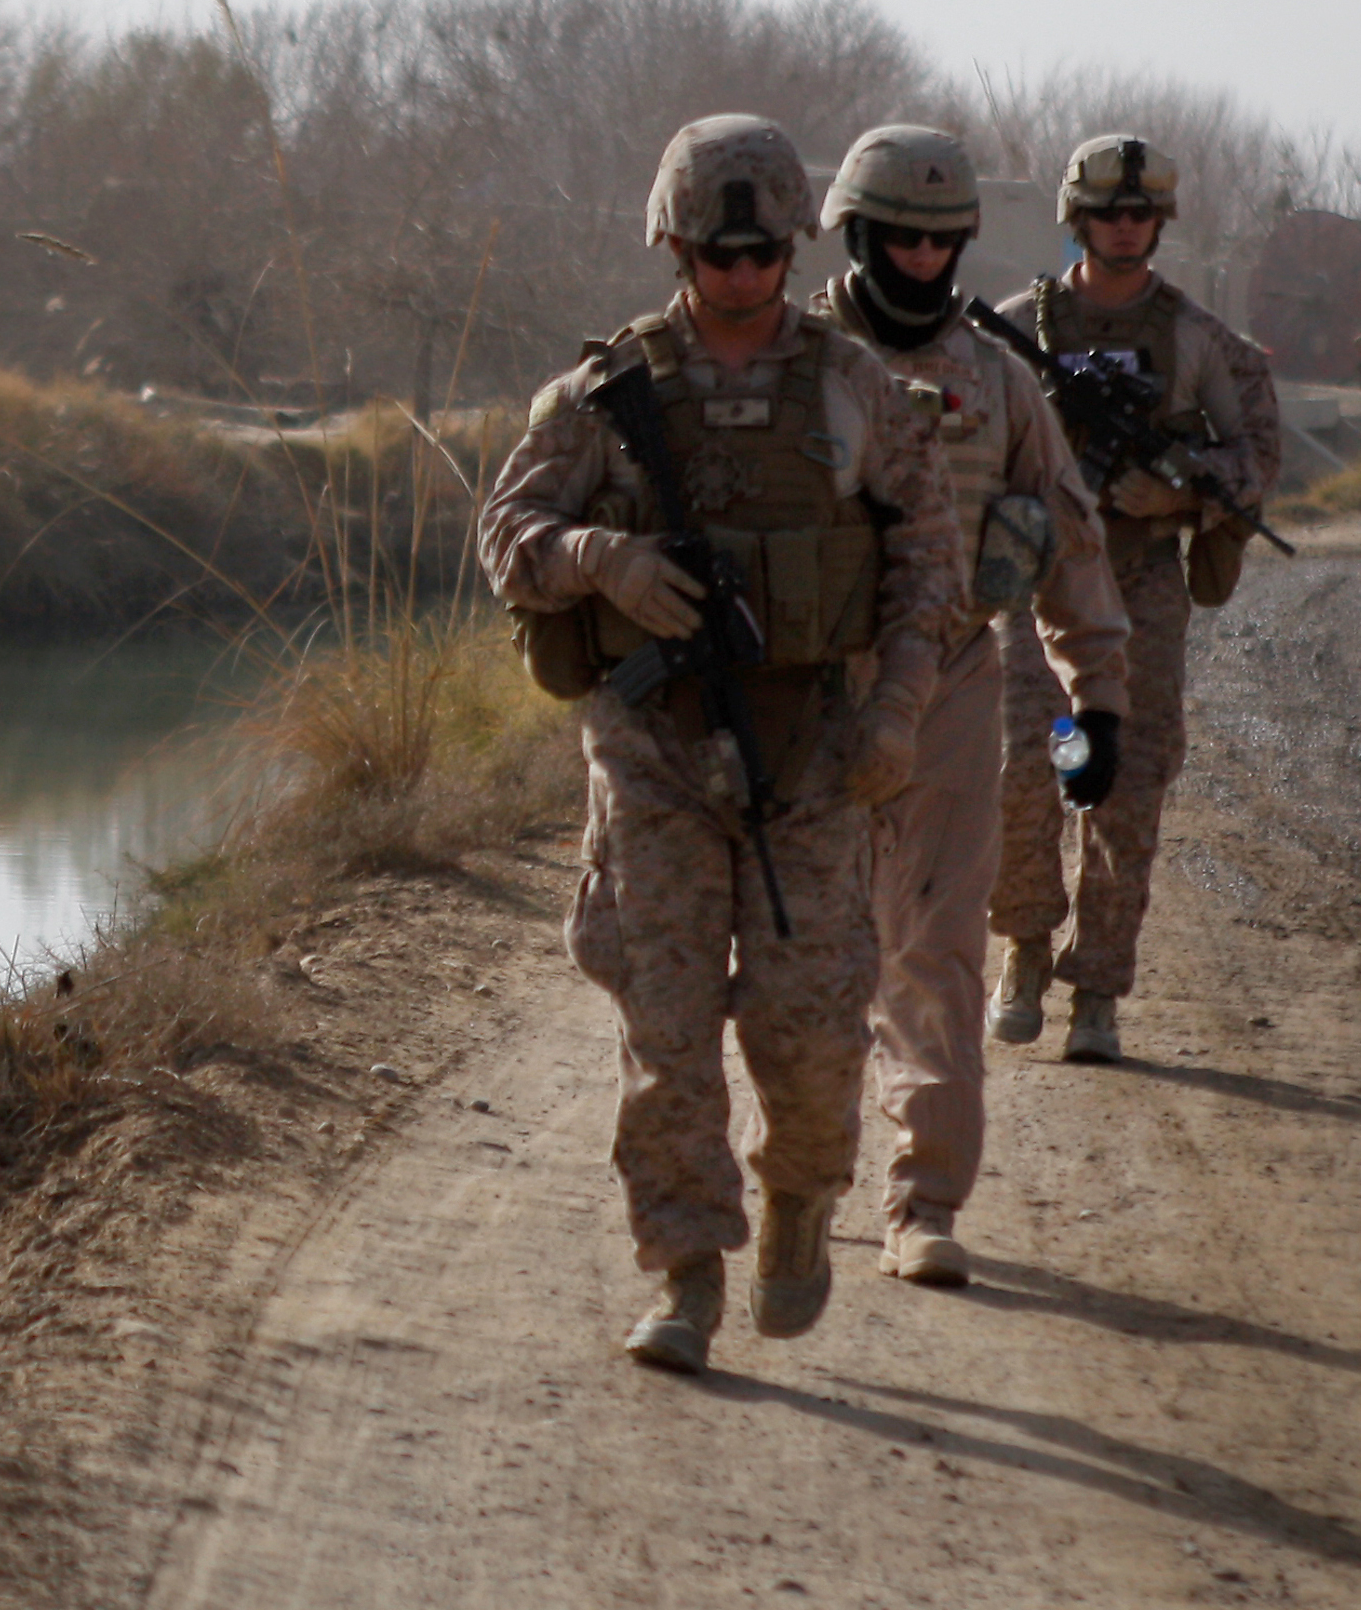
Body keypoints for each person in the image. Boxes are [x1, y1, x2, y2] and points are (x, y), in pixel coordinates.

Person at [479, 115, 961, 1371]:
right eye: (714, 254)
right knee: (667, 1031)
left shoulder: (854, 390)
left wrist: (899, 708)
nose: (740, 277)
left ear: (794, 247)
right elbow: (505, 533)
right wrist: (599, 559)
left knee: (810, 1030)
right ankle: (685, 1270)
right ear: (673, 247)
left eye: (760, 255)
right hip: (652, 758)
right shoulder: (602, 397)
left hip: (812, 755)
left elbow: (926, 562)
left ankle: (799, 1199)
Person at [799, 125, 1130, 1291]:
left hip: (946, 688)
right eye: (902, 238)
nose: (925, 260)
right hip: (801, 700)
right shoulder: (786, 360)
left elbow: (1064, 534)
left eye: (945, 241)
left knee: (934, 952)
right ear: (856, 232)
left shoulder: (996, 379)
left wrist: (1097, 697)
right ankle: (803, 1179)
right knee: (806, 956)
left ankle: (921, 1200)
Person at [988, 134, 1281, 1068]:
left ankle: (1099, 989)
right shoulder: (1014, 329)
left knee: (1127, 780)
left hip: (1140, 583)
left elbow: (1256, 453)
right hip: (1035, 582)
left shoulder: (1196, 338)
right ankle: (1027, 949)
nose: (1125, 228)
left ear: (1159, 223)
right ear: (1079, 220)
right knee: (1026, 769)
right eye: (1109, 214)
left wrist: (1188, 491)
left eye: (1140, 214)